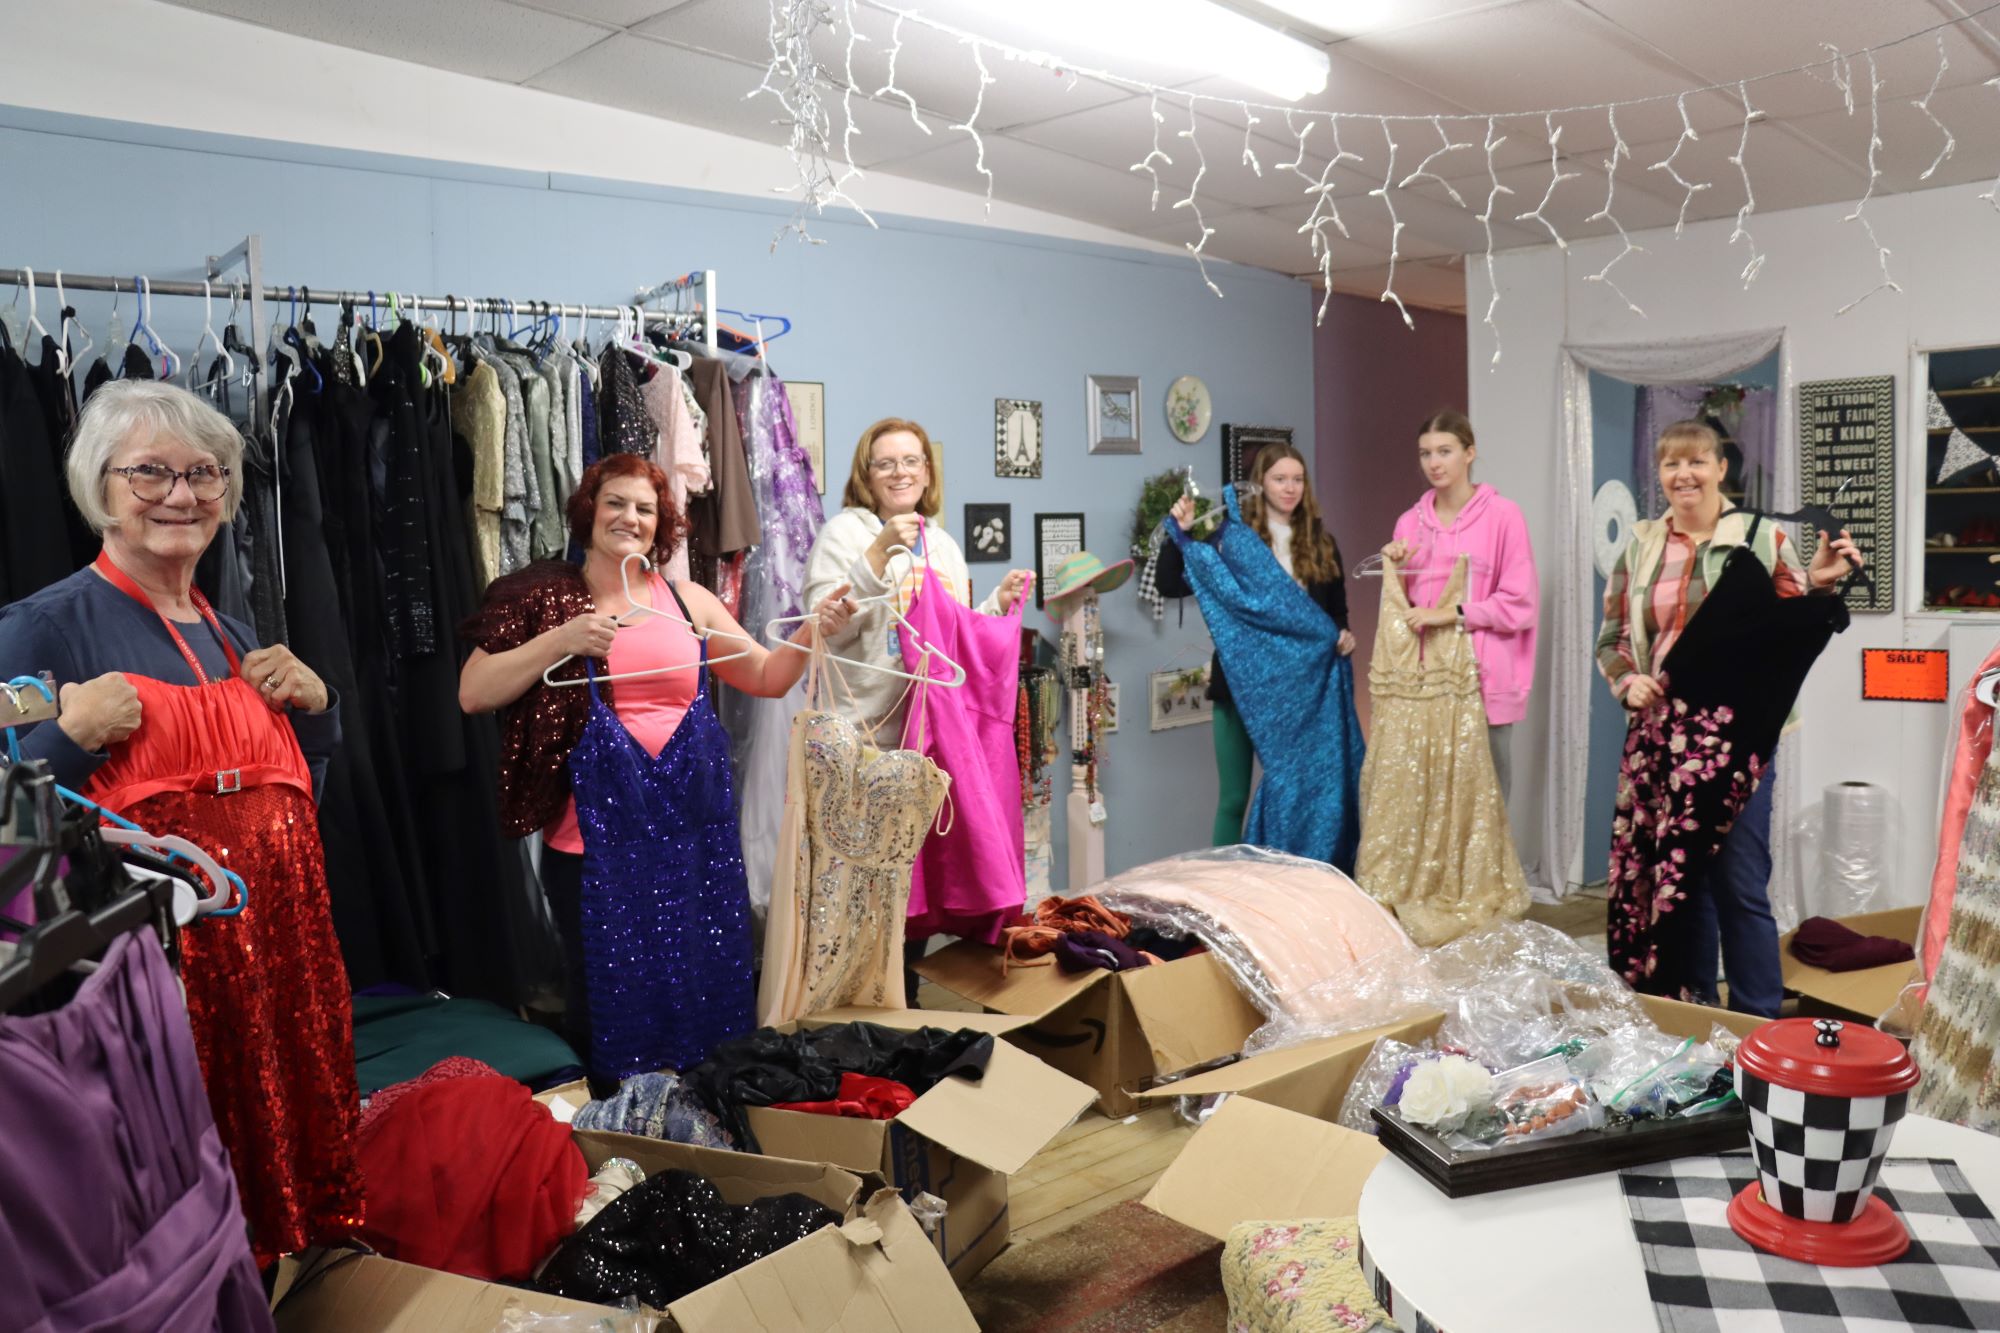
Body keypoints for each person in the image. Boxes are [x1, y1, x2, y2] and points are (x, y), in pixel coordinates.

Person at [0, 378, 361, 1263]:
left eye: (204, 473)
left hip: (281, 969)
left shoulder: (237, 636)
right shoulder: (44, 629)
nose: (181, 493)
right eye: (149, 472)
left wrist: (320, 714)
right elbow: (10, 839)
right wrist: (70, 738)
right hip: (154, 988)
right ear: (100, 488)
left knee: (286, 1203)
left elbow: (294, 804)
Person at [459, 453, 853, 1080]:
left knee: (701, 988)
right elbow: (474, 691)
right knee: (609, 1000)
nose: (630, 517)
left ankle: (696, 1134)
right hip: (592, 850)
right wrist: (563, 640)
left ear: (661, 525)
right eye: (616, 502)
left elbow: (768, 677)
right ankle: (611, 1141)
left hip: (694, 845)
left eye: (645, 509)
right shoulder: (548, 596)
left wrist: (815, 629)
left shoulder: (688, 601)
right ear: (590, 511)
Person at [1596, 419, 1862, 1015]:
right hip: (1660, 739)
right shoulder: (1640, 548)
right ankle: (1693, 1014)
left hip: (1736, 740)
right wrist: (1627, 680)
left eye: (1696, 462)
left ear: (1721, 468)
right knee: (1679, 888)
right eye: (1670, 464)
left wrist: (1818, 586)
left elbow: (1790, 625)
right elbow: (1613, 637)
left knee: (1739, 881)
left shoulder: (1761, 540)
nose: (1683, 475)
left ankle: (1759, 1021)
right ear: (1659, 475)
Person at [1157, 442, 1356, 845]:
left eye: (1297, 479)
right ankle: (1223, 897)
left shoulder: (1321, 543)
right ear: (1260, 484)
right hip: (1239, 684)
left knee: (1301, 792)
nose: (1290, 488)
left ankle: (1289, 886)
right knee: (1232, 798)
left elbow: (1335, 615)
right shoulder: (1232, 542)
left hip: (1301, 693)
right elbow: (1170, 584)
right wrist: (1180, 534)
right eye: (1279, 479)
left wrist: (1344, 635)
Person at [802, 417, 1033, 742]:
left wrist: (998, 604)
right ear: (866, 477)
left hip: (936, 738)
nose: (900, 472)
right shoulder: (842, 535)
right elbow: (821, 626)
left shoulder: (945, 547)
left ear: (926, 472)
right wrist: (879, 551)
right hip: (863, 740)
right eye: (886, 464)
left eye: (911, 461)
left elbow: (957, 640)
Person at [1382, 410, 1538, 800]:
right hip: (1425, 683)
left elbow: (1520, 604)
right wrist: (1394, 568)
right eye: (1425, 453)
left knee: (1488, 803)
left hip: (1484, 681)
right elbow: (1404, 611)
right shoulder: (1407, 523)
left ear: (1469, 453)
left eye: (1445, 451)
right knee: (1430, 801)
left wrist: (1451, 614)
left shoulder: (1505, 517)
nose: (1434, 463)